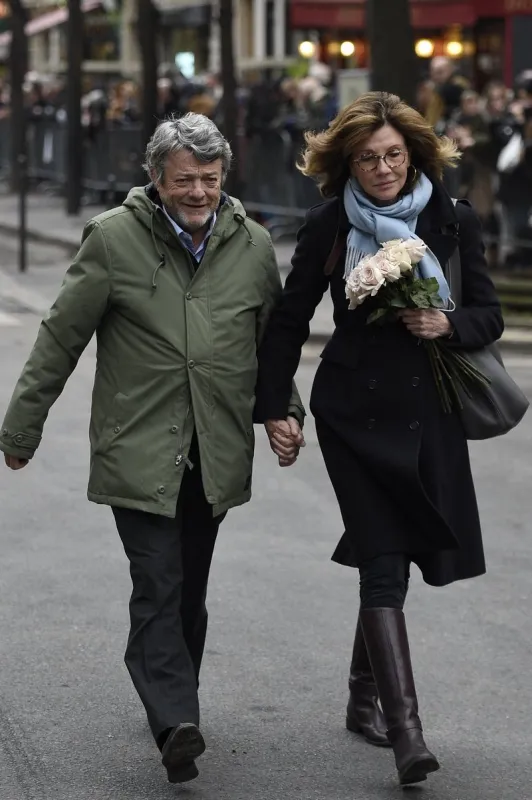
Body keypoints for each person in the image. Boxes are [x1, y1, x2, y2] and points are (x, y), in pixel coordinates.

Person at [0, 113, 304, 784]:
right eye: (184, 180)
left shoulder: (251, 245)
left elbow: (270, 343)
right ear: (154, 178)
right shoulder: (112, 240)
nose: (198, 193)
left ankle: (173, 698)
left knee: (189, 584)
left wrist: (283, 410)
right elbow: (59, 337)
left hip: (214, 444)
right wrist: (22, 426)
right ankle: (175, 719)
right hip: (138, 442)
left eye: (210, 179)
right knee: (158, 579)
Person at [254, 92, 504, 786]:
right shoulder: (330, 223)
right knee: (384, 562)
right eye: (369, 158)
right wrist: (278, 407)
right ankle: (407, 736)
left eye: (394, 154)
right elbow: (288, 321)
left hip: (430, 414)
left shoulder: (450, 219)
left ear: (414, 155)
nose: (384, 167)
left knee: (391, 554)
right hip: (352, 416)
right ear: (348, 163)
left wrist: (447, 325)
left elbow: (487, 313)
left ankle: (364, 695)